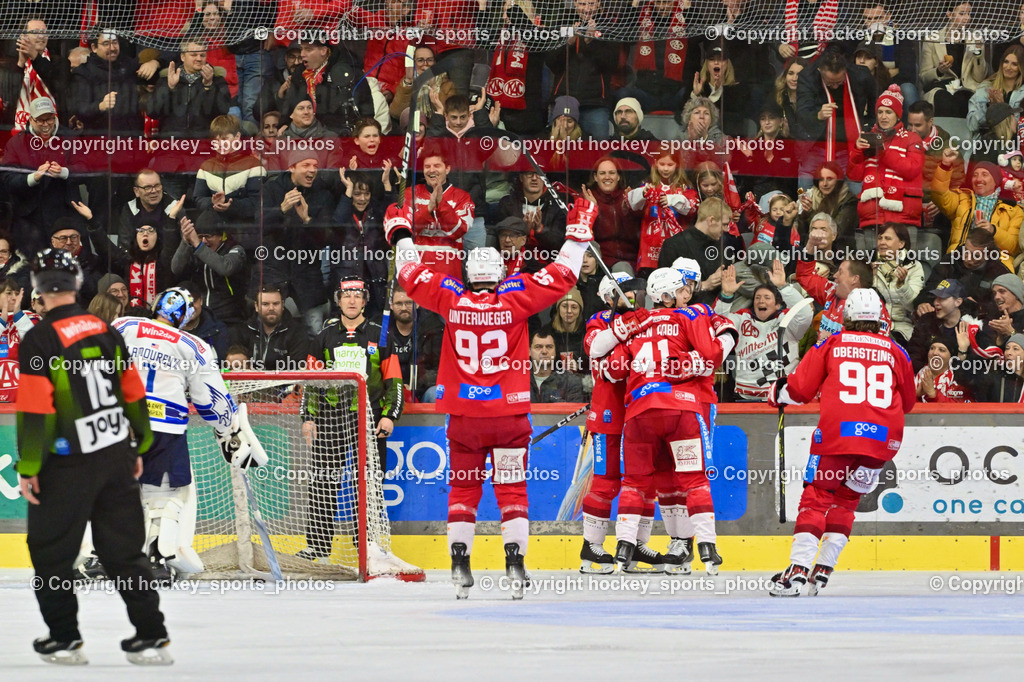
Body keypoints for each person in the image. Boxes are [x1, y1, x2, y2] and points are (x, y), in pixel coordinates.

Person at [384, 195, 597, 599]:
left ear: (468, 272)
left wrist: (401, 234)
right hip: (508, 416)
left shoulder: (451, 296)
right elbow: (564, 274)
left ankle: (460, 564)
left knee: (463, 491)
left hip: (464, 418)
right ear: (499, 272)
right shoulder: (515, 295)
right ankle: (515, 564)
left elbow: (410, 274)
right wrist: (579, 232)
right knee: (512, 492)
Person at [16, 249, 170, 665]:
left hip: (67, 465)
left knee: (51, 551)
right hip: (116, 456)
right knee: (125, 552)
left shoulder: (39, 338)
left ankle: (65, 639)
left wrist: (29, 467)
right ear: (77, 284)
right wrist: (137, 444)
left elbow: (36, 410)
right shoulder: (106, 330)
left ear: (38, 289)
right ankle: (152, 637)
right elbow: (134, 392)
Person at [767, 288, 915, 596]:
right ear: (879, 318)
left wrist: (777, 391)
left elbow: (799, 391)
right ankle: (822, 568)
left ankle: (797, 570)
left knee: (816, 498)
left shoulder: (831, 343)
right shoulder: (896, 352)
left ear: (846, 316)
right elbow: (910, 402)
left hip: (838, 437)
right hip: (880, 443)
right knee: (846, 500)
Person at [113, 287, 266, 581]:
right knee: (166, 495)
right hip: (165, 425)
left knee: (110, 491)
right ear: (184, 315)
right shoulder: (193, 345)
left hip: (119, 420)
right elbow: (211, 399)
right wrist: (228, 430)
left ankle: (97, 557)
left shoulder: (123, 326)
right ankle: (157, 559)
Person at [603, 269, 734, 574]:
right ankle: (707, 547)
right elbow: (712, 355)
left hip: (639, 413)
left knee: (635, 483)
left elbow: (613, 369)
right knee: (694, 480)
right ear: (670, 294)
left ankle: (624, 548)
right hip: (682, 410)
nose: (686, 293)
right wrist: (721, 340)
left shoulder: (637, 322)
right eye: (682, 288)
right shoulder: (691, 315)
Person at [299, 277, 404, 561]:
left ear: (365, 299)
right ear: (338, 299)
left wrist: (389, 415)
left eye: (357, 294)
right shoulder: (323, 337)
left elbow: (394, 380)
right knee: (323, 482)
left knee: (369, 485)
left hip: (369, 420)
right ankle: (318, 546)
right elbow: (311, 383)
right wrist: (308, 418)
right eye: (346, 294)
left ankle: (366, 548)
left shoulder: (380, 335)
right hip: (331, 420)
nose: (352, 300)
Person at [578, 272, 646, 573]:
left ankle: (636, 546)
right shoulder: (597, 322)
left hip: (640, 413)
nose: (630, 298)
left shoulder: (643, 320)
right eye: (623, 293)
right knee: (606, 482)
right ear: (609, 297)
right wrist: (626, 329)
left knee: (643, 482)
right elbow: (608, 361)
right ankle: (591, 547)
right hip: (608, 415)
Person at [716, 260, 813, 401]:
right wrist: (726, 295)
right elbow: (717, 324)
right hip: (744, 397)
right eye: (757, 298)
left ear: (778, 304)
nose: (761, 301)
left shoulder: (787, 321)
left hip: (780, 396)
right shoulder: (742, 318)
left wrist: (783, 286)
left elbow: (805, 314)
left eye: (767, 298)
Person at [932, 149, 1023, 273]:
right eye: (975, 175)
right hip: (960, 258)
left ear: (996, 181)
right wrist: (945, 165)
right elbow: (939, 195)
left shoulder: (1014, 210)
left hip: (995, 263)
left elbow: (1014, 246)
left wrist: (993, 230)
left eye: (985, 174)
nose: (978, 179)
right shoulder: (962, 199)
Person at [848, 86, 925, 229]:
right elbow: (854, 176)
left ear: (898, 115)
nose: (883, 117)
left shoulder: (912, 138)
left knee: (904, 252)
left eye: (889, 112)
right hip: (872, 215)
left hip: (903, 216)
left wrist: (884, 152)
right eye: (880, 112)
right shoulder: (869, 137)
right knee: (870, 252)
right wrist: (858, 151)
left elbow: (912, 170)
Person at [233, 284, 309, 371]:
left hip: (285, 383)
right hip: (250, 383)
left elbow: (298, 369)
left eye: (276, 304)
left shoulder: (297, 332)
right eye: (265, 304)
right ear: (256, 306)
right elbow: (236, 366)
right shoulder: (242, 330)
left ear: (282, 305)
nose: (271, 308)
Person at [872, 223, 925, 345]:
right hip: (874, 324)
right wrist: (870, 278)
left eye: (888, 238)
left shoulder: (914, 266)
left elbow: (913, 306)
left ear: (901, 244)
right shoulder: (869, 263)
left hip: (903, 327)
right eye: (880, 238)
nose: (882, 242)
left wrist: (902, 286)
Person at [529, 330, 584, 403]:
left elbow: (576, 413)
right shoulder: (519, 382)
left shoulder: (571, 382)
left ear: (555, 351)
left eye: (549, 347)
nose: (544, 351)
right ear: (529, 351)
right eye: (538, 347)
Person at [916, 337, 973, 402]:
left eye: (941, 350)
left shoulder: (959, 382)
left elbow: (962, 409)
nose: (935, 353)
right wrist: (916, 396)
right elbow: (904, 406)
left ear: (951, 358)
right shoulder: (912, 375)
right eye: (932, 348)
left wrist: (933, 394)